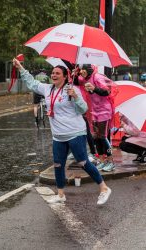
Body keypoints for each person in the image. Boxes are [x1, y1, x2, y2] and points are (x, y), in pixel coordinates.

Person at [13, 58, 112, 205]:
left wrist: (76, 97)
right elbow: (32, 83)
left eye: (57, 73)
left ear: (65, 76)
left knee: (83, 162)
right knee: (58, 164)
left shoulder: (72, 90)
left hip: (75, 133)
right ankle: (60, 195)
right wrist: (20, 67)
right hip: (58, 136)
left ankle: (104, 188)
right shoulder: (47, 89)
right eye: (52, 73)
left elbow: (83, 109)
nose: (53, 75)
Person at [78, 64, 115, 172]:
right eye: (80, 70)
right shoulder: (86, 79)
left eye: (82, 70)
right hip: (95, 111)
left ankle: (111, 162)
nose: (81, 72)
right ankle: (102, 161)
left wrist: (94, 88)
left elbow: (107, 91)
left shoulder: (97, 77)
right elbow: (77, 79)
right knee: (96, 137)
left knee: (103, 136)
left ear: (88, 70)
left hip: (104, 110)